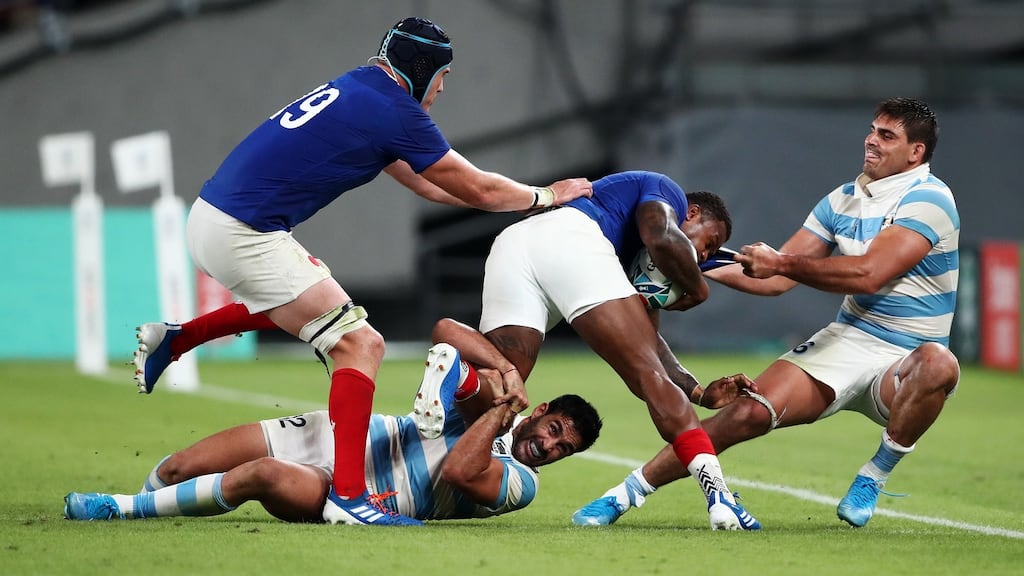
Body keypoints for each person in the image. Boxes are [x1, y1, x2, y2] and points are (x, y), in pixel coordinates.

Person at [132, 17, 592, 527]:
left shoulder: (359, 87)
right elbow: (477, 187)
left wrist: (518, 206)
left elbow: (435, 187)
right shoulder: (395, 109)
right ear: (422, 71)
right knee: (362, 344)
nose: (442, 88)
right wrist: (547, 196)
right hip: (246, 230)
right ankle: (348, 497)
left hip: (216, 217)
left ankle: (178, 341)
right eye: (442, 76)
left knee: (321, 314)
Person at [571, 97, 960, 529]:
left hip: (905, 359)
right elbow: (774, 278)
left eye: (886, 136)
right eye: (872, 130)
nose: (870, 140)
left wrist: (780, 262)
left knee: (938, 364)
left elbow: (868, 275)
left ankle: (873, 476)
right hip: (848, 339)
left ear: (916, 152)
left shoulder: (929, 200)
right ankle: (623, 495)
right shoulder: (843, 199)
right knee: (746, 413)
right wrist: (687, 258)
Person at [66, 320, 602, 524]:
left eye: (563, 451)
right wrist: (505, 374)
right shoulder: (495, 409)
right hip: (340, 433)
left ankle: (121, 510)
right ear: (543, 411)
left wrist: (504, 410)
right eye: (554, 431)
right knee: (180, 467)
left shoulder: (521, 485)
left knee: (263, 475)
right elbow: (443, 325)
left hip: (355, 492)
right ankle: (152, 504)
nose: (549, 448)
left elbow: (462, 471)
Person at [475, 169, 762, 531]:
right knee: (647, 379)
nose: (704, 255)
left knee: (498, 380)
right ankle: (719, 496)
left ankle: (442, 400)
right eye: (710, 242)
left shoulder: (631, 268)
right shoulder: (666, 193)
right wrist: (698, 290)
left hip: (514, 244)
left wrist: (698, 392)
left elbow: (650, 344)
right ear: (691, 212)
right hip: (570, 235)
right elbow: (661, 236)